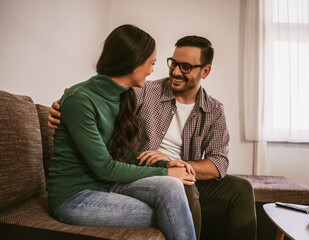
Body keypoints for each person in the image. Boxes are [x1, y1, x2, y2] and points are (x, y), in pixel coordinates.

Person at [49, 35, 256, 240]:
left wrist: (177, 166)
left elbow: (219, 163)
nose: (175, 72)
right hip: (143, 170)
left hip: (179, 168)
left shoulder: (213, 109)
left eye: (185, 67)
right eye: (173, 63)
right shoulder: (145, 90)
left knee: (240, 188)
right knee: (183, 188)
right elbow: (106, 95)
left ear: (205, 71)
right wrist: (63, 104)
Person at [46, 24, 196, 240]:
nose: (153, 70)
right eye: (151, 63)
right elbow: (105, 168)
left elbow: (123, 155)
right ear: (134, 62)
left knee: (172, 189)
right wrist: (166, 173)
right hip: (73, 198)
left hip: (106, 186)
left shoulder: (124, 96)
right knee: (171, 212)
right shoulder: (81, 99)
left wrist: (166, 165)